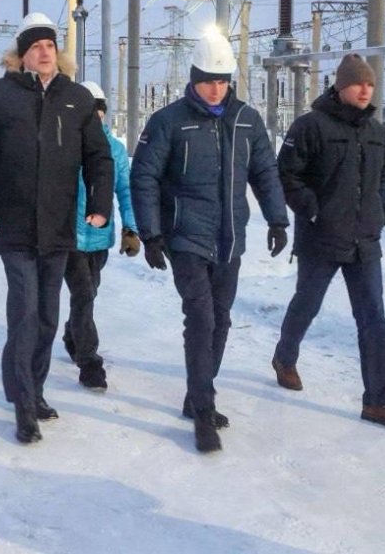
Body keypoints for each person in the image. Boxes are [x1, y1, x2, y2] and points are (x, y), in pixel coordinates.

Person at [130, 28, 289, 453]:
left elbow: (265, 172)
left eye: (222, 81)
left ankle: (196, 393)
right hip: (186, 237)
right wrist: (151, 234)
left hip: (230, 239)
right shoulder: (169, 121)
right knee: (200, 320)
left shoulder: (247, 121)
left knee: (221, 320)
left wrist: (277, 219)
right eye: (208, 81)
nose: (215, 89)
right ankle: (203, 411)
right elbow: (144, 176)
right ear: (193, 79)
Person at [0, 12, 113, 444]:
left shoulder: (77, 99)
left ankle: (35, 389)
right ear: (21, 56)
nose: (44, 52)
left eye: (49, 45)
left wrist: (100, 204)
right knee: (26, 312)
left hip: (58, 226)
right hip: (12, 226)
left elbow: (99, 157)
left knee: (48, 316)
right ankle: (24, 405)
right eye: (35, 47)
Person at [271, 53, 385, 432]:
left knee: (374, 319)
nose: (365, 90)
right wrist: (313, 210)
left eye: (370, 84)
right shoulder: (310, 126)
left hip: (365, 240)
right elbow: (286, 174)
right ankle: (285, 357)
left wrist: (380, 208)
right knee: (307, 304)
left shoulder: (376, 131)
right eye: (358, 83)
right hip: (321, 238)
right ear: (340, 87)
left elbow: (382, 175)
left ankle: (381, 402)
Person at [62, 80, 139, 391]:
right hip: (68, 237)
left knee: (88, 293)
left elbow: (126, 191)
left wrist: (131, 228)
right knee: (83, 293)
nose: (95, 117)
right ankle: (89, 363)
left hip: (99, 238)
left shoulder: (115, 150)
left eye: (99, 111)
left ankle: (72, 333)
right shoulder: (64, 146)